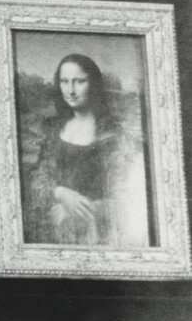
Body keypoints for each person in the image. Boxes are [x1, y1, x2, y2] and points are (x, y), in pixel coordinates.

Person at [24, 53, 149, 247]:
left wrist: (88, 209)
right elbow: (38, 177)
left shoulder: (113, 136)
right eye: (65, 82)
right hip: (54, 230)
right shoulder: (54, 130)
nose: (71, 91)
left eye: (79, 81)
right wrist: (60, 193)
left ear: (94, 85)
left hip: (96, 233)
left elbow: (129, 195)